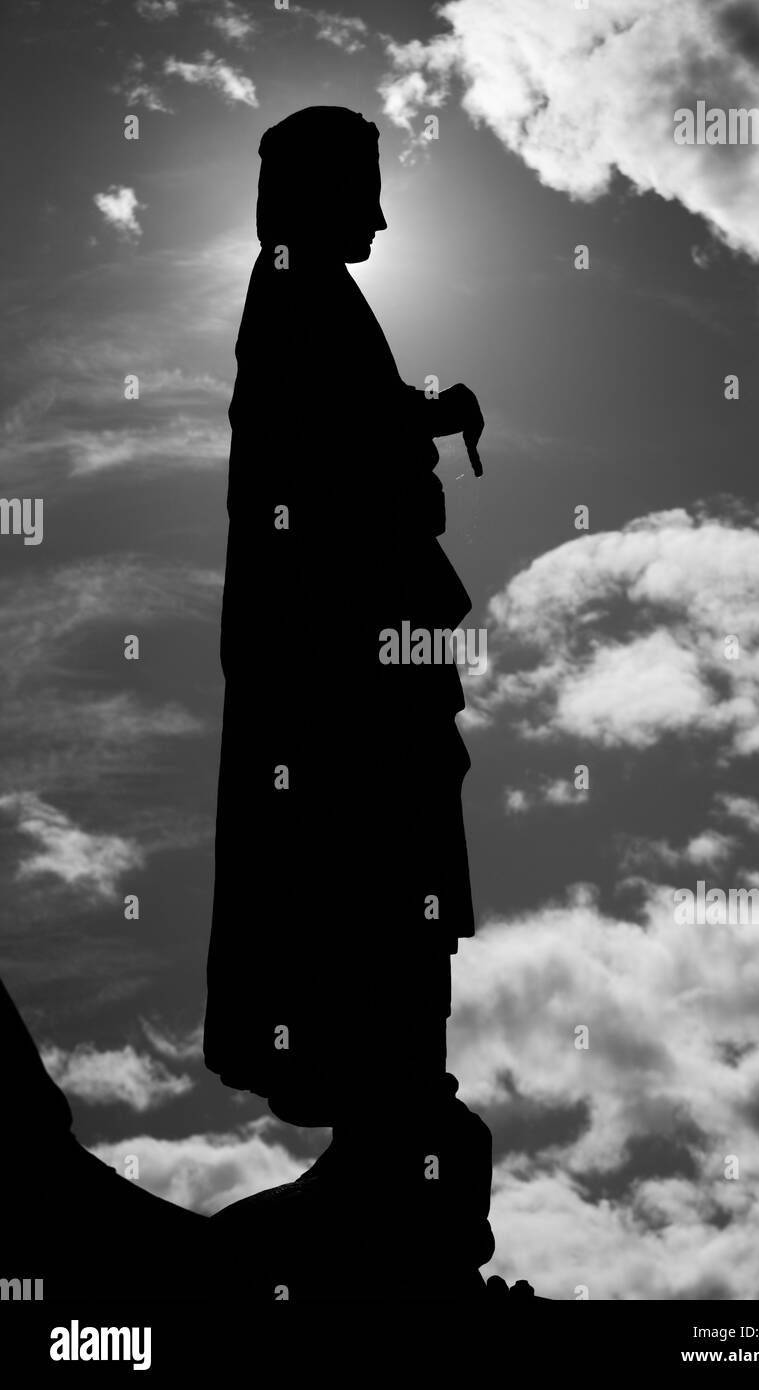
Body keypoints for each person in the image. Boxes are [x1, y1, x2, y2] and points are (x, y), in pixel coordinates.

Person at [203, 107, 494, 1292]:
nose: (378, 215)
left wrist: (414, 419)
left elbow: (342, 434)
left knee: (401, 868)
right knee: (375, 864)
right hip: (342, 674)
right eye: (362, 189)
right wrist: (413, 423)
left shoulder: (308, 295)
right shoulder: (293, 293)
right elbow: (315, 451)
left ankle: (401, 1089)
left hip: (369, 660)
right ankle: (390, 1097)